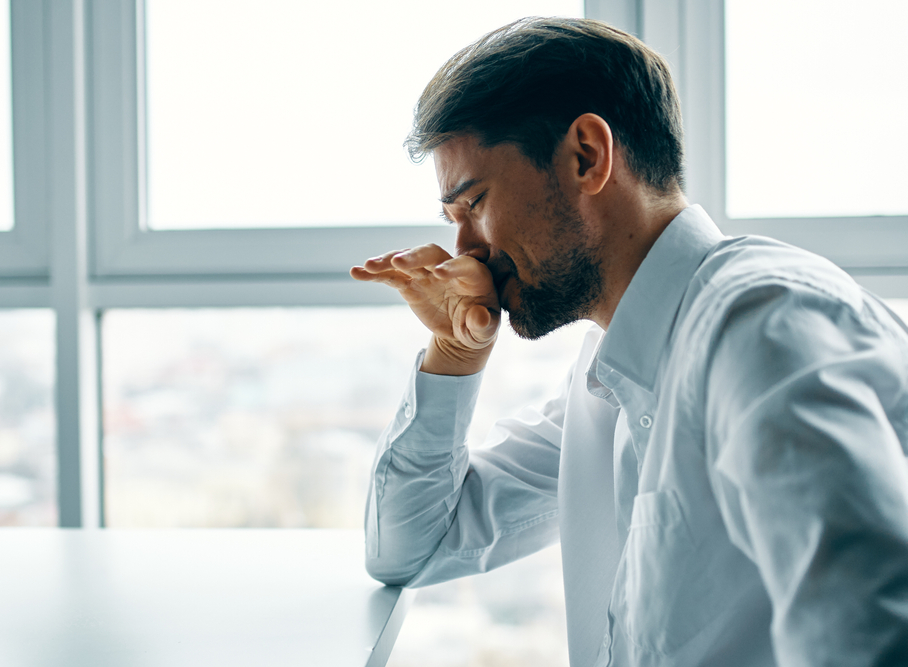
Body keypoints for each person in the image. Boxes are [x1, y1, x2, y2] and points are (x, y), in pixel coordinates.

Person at [350, 17, 908, 667]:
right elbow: (411, 547)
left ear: (587, 155)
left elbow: (872, 632)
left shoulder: (763, 327)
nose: (466, 250)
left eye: (473, 203)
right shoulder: (607, 377)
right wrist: (456, 353)